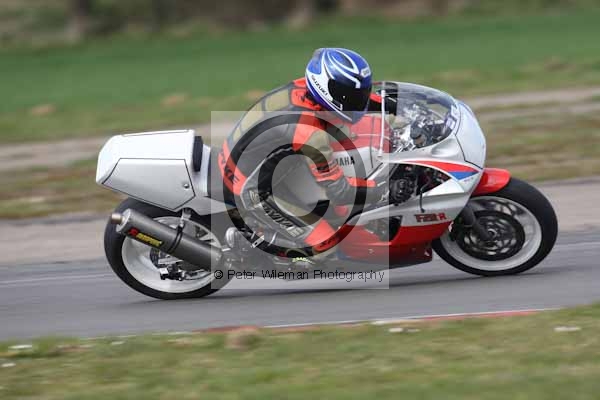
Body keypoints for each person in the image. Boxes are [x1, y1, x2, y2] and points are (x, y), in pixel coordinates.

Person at [217, 48, 413, 259]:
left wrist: (398, 105)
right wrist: (384, 191)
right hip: (251, 189)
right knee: (325, 247)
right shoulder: (310, 133)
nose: (357, 101)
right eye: (349, 96)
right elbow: (340, 191)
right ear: (326, 88)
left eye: (361, 94)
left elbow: (361, 101)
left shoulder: (304, 87)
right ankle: (254, 247)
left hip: (255, 158)